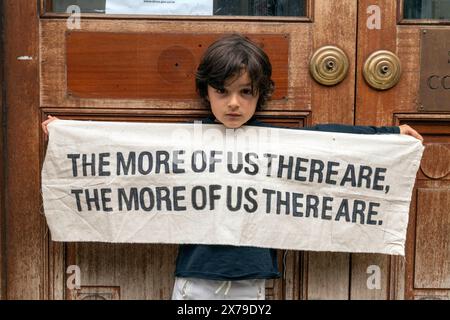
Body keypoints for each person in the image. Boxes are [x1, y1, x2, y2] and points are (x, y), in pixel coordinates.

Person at [42, 34, 423, 300]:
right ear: (205, 91)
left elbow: (329, 141)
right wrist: (69, 136)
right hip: (194, 277)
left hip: (251, 279)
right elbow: (128, 149)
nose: (234, 104)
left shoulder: (276, 142)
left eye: (245, 92)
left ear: (261, 93)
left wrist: (387, 135)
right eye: (222, 91)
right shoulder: (185, 141)